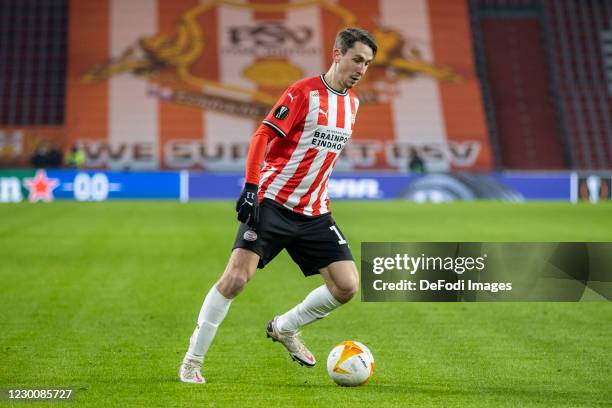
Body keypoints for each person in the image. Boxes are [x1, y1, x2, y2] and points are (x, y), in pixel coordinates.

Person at [179, 27, 377, 384]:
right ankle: (193, 360)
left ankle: (285, 328)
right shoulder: (303, 92)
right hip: (273, 202)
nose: (362, 69)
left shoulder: (353, 103)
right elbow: (263, 135)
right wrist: (253, 186)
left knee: (347, 286)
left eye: (367, 63)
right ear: (337, 55)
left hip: (315, 210)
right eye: (357, 60)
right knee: (237, 278)